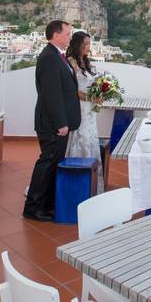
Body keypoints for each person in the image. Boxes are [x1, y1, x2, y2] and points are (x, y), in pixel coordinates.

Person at [23, 20, 81, 221]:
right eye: (67, 34)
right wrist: (61, 123)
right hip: (52, 124)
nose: (69, 38)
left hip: (57, 122)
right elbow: (51, 94)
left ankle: (45, 204)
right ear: (56, 35)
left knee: (52, 163)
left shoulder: (57, 56)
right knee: (47, 163)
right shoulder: (49, 57)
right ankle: (33, 208)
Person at [64, 30, 104, 193]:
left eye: (89, 44)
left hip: (89, 110)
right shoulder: (70, 62)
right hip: (79, 107)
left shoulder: (86, 62)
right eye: (86, 44)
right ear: (78, 44)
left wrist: (100, 92)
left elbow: (92, 83)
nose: (88, 47)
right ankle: (76, 179)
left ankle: (91, 180)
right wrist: (92, 98)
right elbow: (72, 90)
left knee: (90, 138)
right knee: (79, 137)